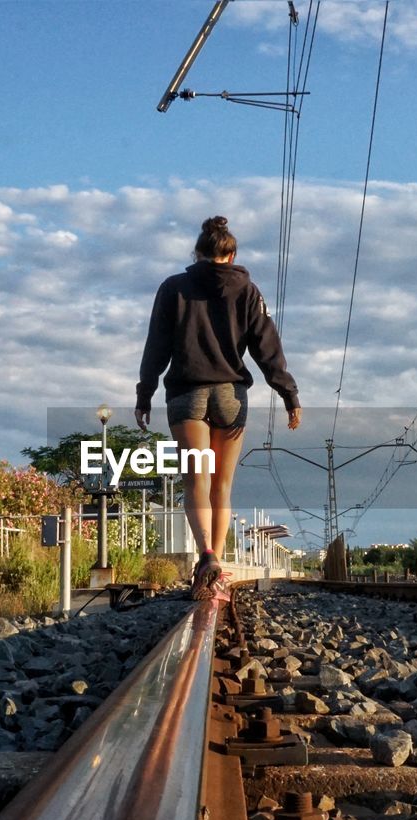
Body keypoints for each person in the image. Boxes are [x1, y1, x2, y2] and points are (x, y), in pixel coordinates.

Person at [135, 215, 301, 599]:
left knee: (196, 481)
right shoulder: (248, 290)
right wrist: (288, 393)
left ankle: (206, 555)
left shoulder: (173, 288)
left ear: (197, 252)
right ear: (232, 254)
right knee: (222, 486)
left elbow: (155, 346)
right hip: (230, 395)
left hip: (186, 394)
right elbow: (267, 347)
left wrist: (144, 394)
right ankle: (219, 569)